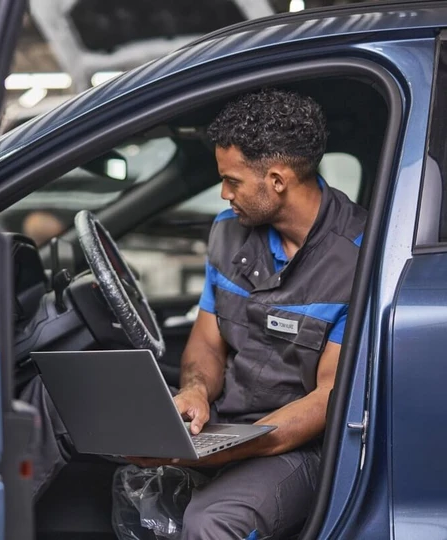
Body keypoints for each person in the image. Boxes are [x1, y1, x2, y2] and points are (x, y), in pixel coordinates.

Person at [126, 88, 366, 539]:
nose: (223, 193)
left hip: (301, 447)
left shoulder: (359, 259)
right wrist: (195, 391)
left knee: (213, 520)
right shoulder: (227, 232)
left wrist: (230, 450)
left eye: (232, 181)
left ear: (276, 179)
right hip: (226, 425)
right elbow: (207, 339)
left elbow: (331, 398)